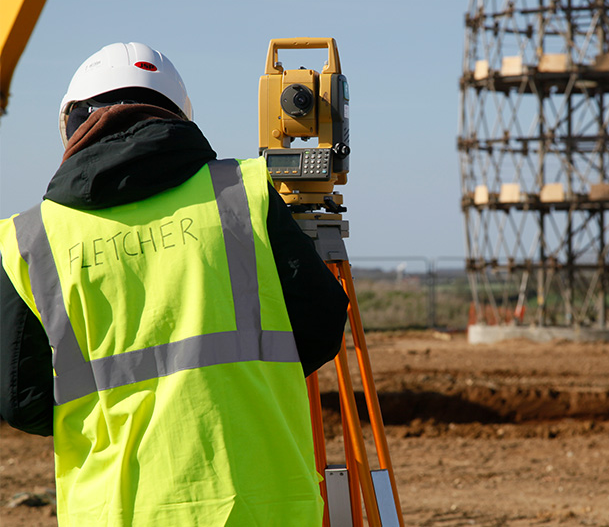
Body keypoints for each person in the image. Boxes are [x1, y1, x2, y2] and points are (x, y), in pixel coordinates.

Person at [0, 42, 349, 525]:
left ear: (73, 125)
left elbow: (22, 401)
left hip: (115, 511)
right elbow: (323, 323)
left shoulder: (31, 238)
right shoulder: (240, 194)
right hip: (258, 504)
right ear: (177, 117)